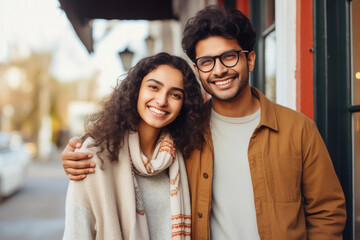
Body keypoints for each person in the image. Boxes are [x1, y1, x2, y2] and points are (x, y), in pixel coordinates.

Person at [62, 5, 346, 240]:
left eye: (229, 57)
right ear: (198, 71)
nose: (219, 69)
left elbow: (327, 211)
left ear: (250, 60)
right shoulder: (184, 133)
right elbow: (135, 153)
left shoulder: (299, 130)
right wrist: (79, 155)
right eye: (207, 62)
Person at [62, 52, 206, 240]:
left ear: (183, 105)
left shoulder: (186, 156)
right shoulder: (93, 156)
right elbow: (76, 233)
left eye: (175, 95)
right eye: (154, 87)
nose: (162, 100)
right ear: (136, 90)